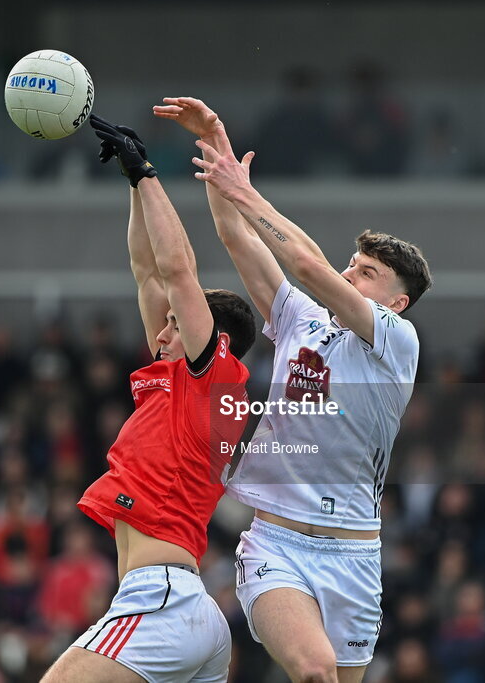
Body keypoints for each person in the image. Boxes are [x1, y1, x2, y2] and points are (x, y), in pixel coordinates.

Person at [154, 97, 432, 683]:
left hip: (355, 554)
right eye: (351, 264)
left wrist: (247, 193)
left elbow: (307, 265)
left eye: (367, 273)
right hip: (275, 542)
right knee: (313, 672)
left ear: (397, 302)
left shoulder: (396, 341)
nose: (349, 274)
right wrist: (217, 150)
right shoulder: (302, 319)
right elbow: (236, 238)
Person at [40, 114, 257, 683]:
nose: (159, 335)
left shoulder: (216, 376)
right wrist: (134, 187)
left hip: (162, 599)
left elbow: (178, 270)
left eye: (173, 326)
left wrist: (150, 173)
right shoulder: (179, 382)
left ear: (215, 335)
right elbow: (147, 272)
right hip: (182, 604)